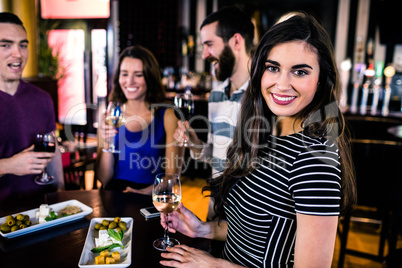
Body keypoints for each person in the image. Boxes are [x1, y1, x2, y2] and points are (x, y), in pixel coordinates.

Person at [159, 13, 357, 267]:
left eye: (299, 71)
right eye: (273, 68)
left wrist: (216, 265)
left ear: (321, 80)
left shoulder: (315, 161)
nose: (281, 84)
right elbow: (252, 234)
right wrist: (202, 229)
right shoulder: (264, 134)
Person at [174, 6, 254, 219]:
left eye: (210, 44)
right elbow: (217, 159)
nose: (206, 54)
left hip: (250, 218)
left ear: (236, 41)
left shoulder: (264, 96)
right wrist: (195, 144)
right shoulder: (216, 93)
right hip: (216, 210)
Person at [97, 45, 182, 195]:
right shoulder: (110, 117)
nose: (129, 81)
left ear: (150, 77)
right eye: (124, 74)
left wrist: (144, 193)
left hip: (153, 198)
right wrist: (107, 143)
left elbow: (172, 177)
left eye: (138, 74)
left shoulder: (168, 116)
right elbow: (104, 179)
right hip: (116, 197)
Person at [0, 12, 64, 203]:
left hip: (43, 209)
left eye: (23, 45)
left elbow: (53, 152)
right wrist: (8, 165)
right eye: (5, 45)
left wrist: (63, 195)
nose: (17, 54)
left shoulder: (41, 98)